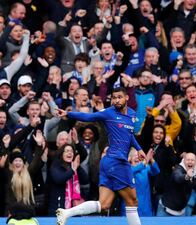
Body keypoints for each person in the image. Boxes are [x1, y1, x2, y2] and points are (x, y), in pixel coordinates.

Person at [56, 87, 146, 225]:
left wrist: (139, 149)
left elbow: (129, 135)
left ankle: (66, 213)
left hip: (108, 163)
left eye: (119, 97)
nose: (116, 100)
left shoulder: (132, 115)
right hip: (117, 162)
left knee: (104, 204)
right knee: (132, 201)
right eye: (113, 97)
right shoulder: (108, 113)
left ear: (126, 98)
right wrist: (68, 114)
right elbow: (88, 117)